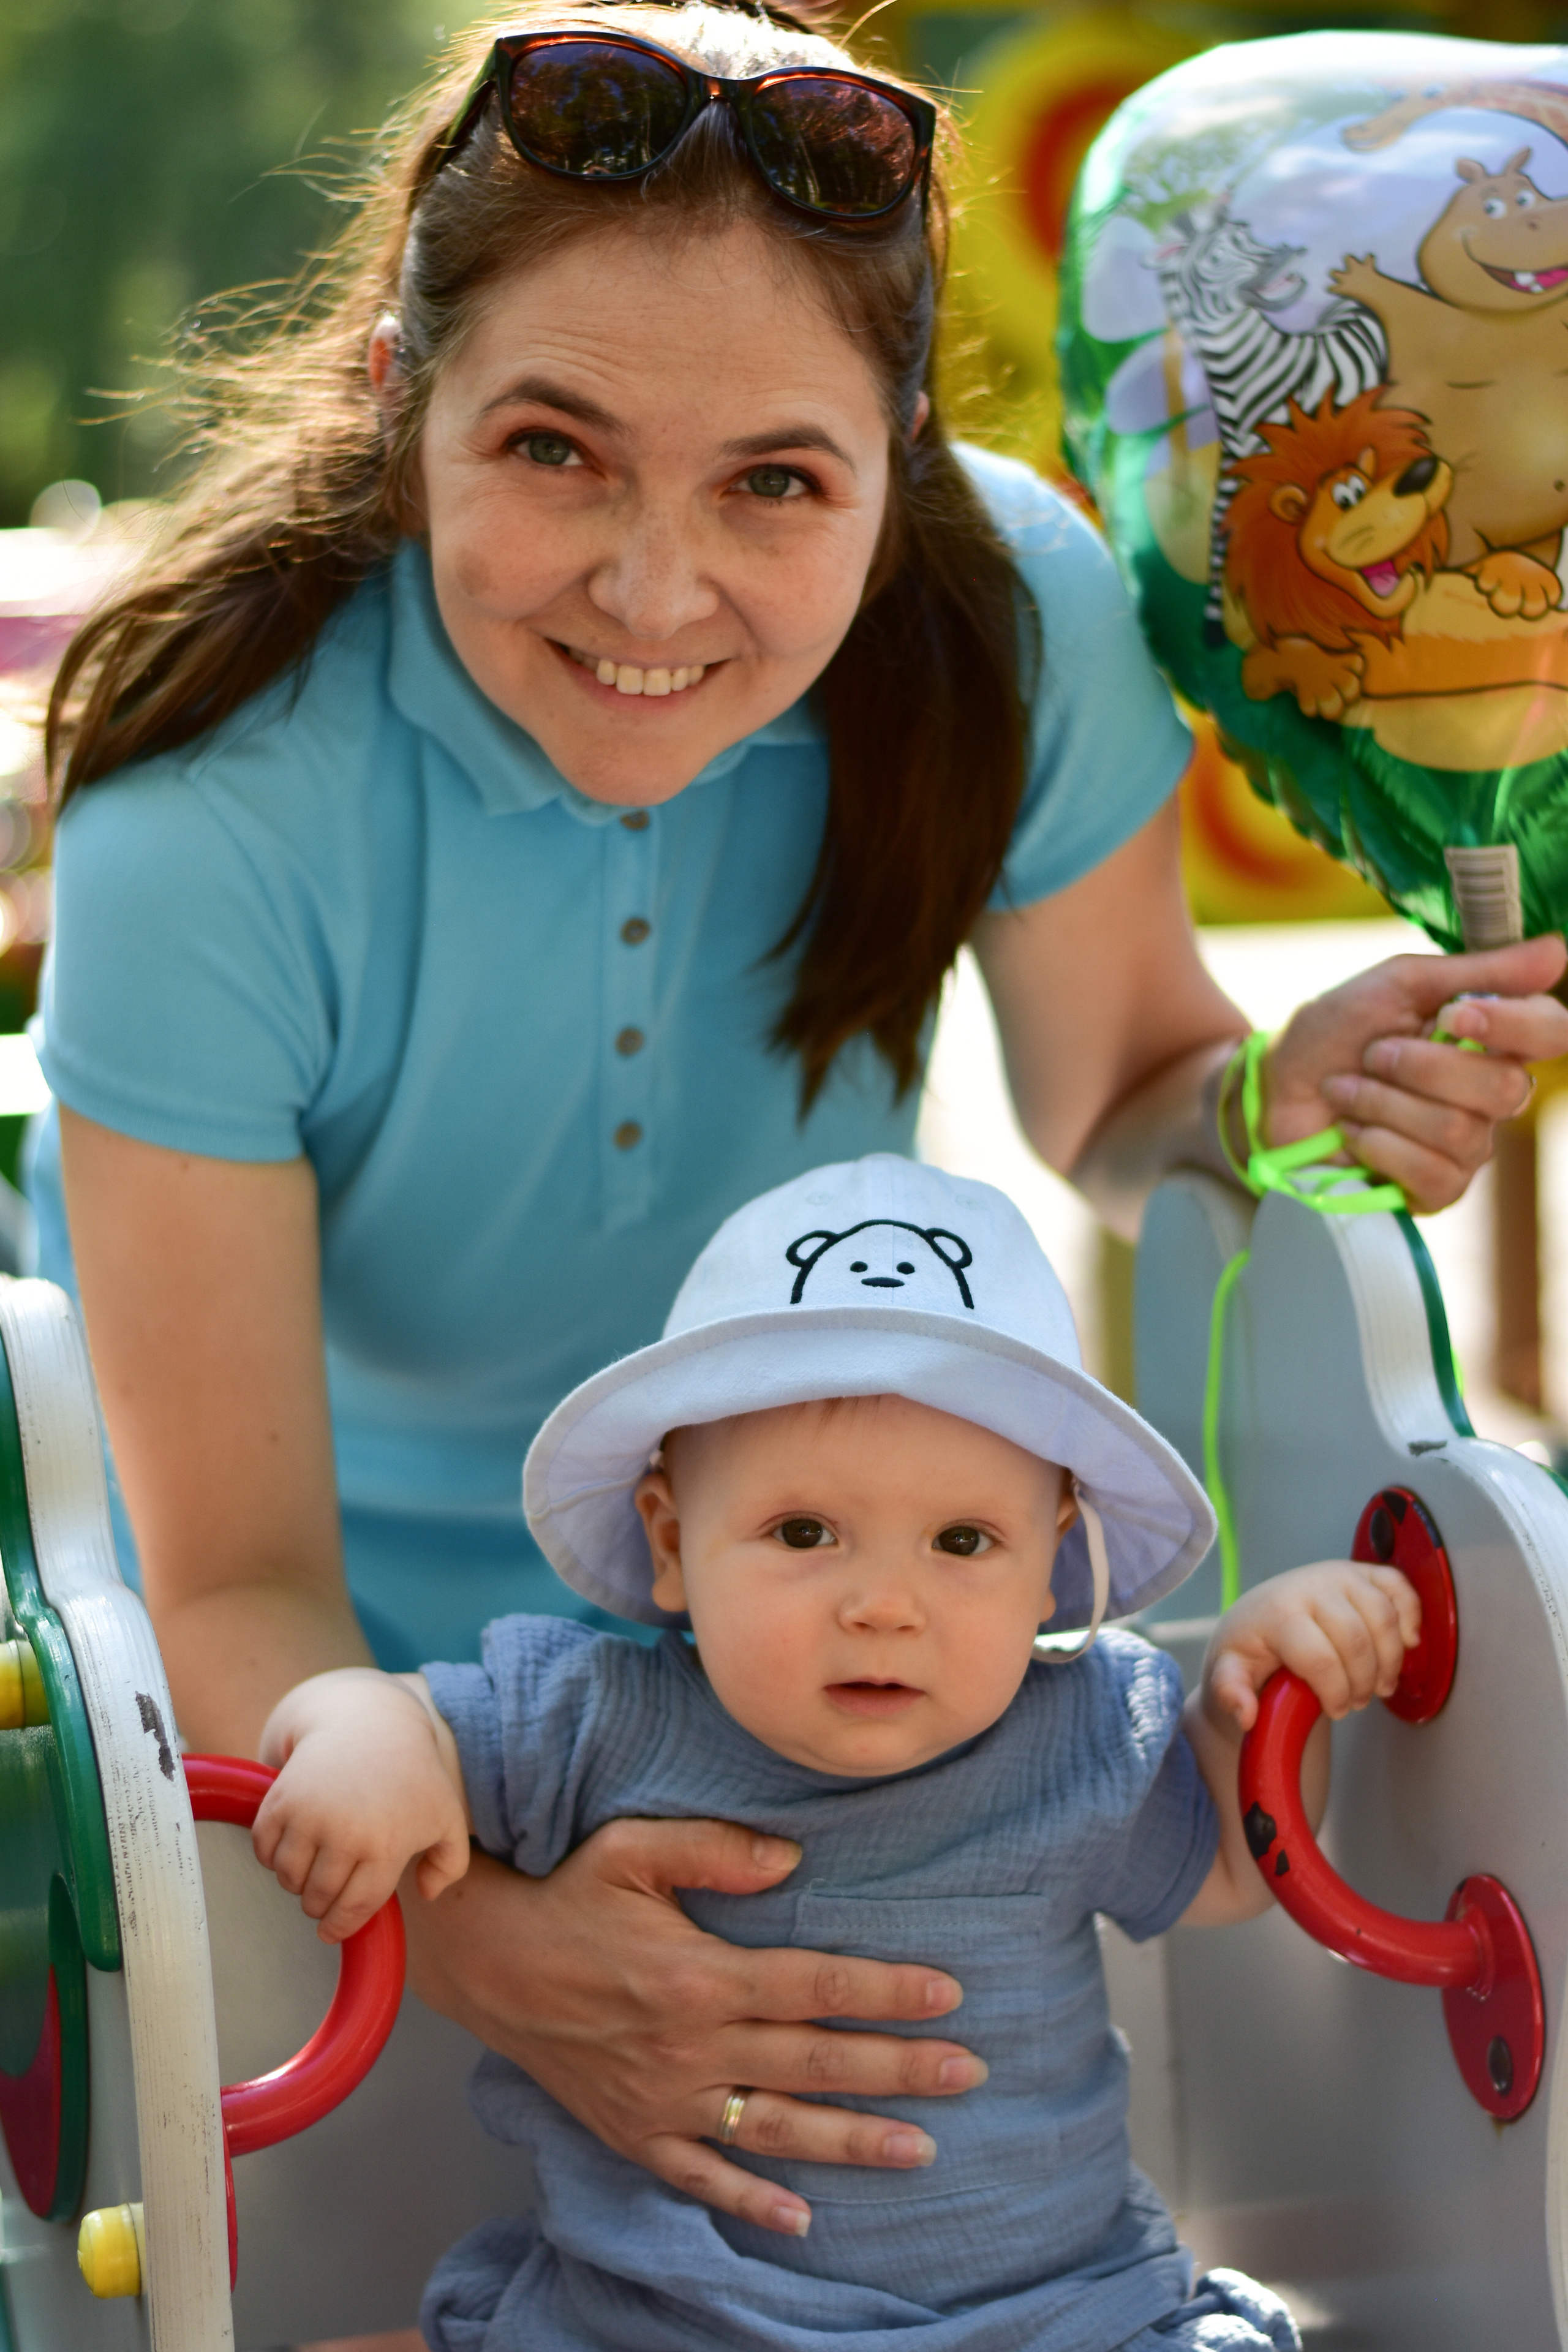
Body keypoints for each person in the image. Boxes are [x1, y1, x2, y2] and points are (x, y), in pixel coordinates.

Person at [34, 0, 1565, 2310]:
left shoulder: (1009, 609)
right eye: (553, 449)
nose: (656, 595)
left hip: (831, 1616)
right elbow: (232, 1570)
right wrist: (497, 1941)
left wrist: (1283, 1097)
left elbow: (1126, 1094)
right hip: (330, 1735)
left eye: (776, 482)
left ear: (903, 457)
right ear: (397, 399)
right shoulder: (207, 803)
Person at [252, 1154, 1420, 2350]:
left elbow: (1234, 1859)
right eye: (805, 1531)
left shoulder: (1083, 1728)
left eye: (961, 1541)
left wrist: (1268, 1682)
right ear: (670, 1542)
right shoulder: (594, 1715)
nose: (883, 1606)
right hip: (672, 2322)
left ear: (1052, 1561)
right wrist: (365, 1735)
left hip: (1054, 2318)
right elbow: (392, 1714)